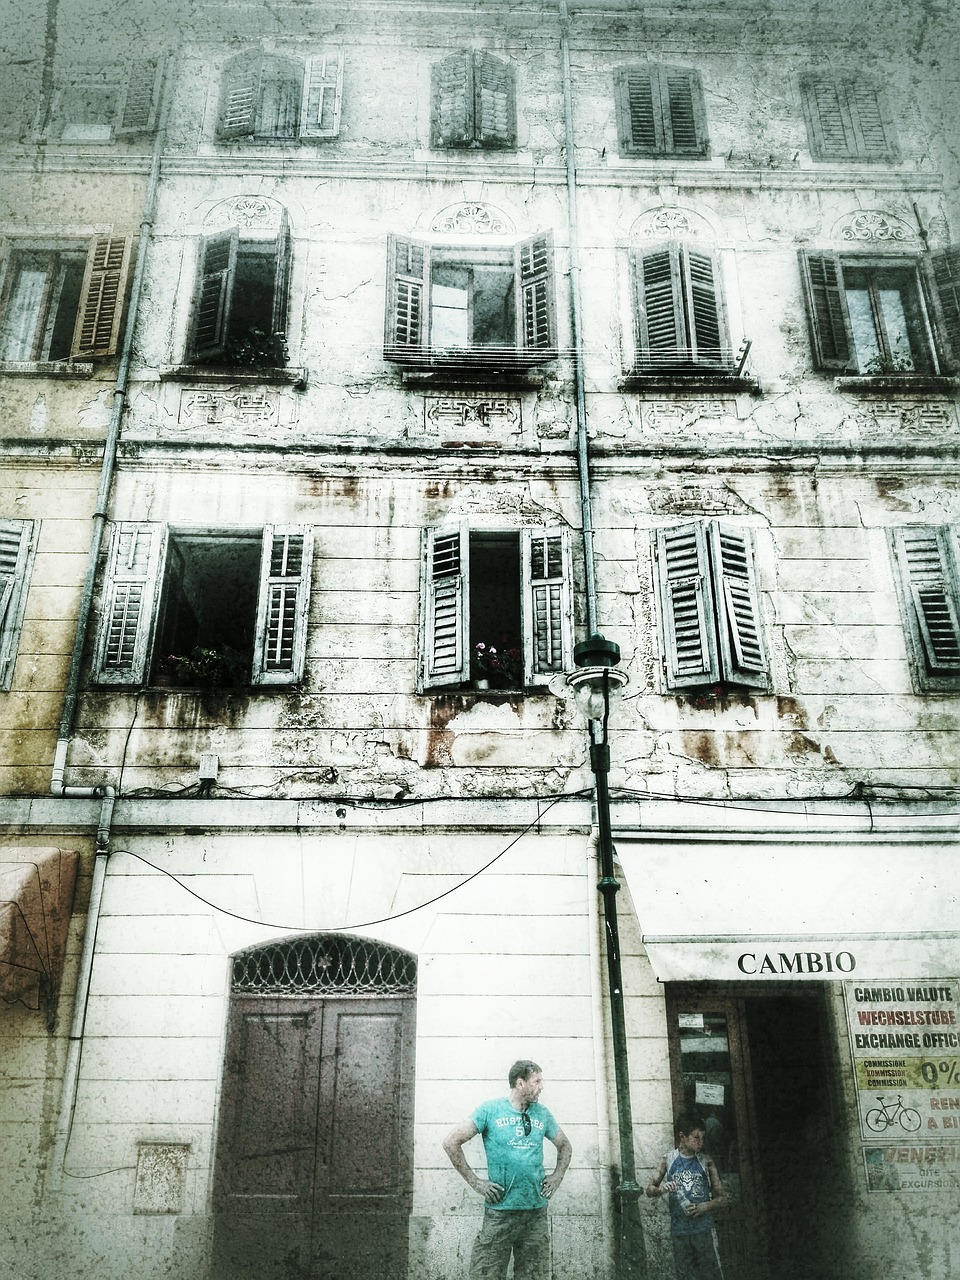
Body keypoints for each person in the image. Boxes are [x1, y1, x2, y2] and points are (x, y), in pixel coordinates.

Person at [442, 1059, 572, 1280]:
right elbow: (451, 1142)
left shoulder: (542, 1113)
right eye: (537, 1081)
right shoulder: (490, 1110)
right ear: (520, 1083)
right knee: (487, 1274)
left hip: (535, 1212)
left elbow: (565, 1146)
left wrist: (557, 1177)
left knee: (534, 1276)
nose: (542, 1087)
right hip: (500, 1212)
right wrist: (476, 1183)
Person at [645, 1112, 727, 1280]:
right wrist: (661, 1190)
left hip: (703, 1229)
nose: (701, 1142)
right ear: (682, 1136)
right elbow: (649, 1189)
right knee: (684, 1275)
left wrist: (704, 1206)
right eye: (696, 1137)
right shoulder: (668, 1159)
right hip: (679, 1231)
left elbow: (722, 1197)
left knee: (710, 1274)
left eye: (703, 1138)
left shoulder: (706, 1161)